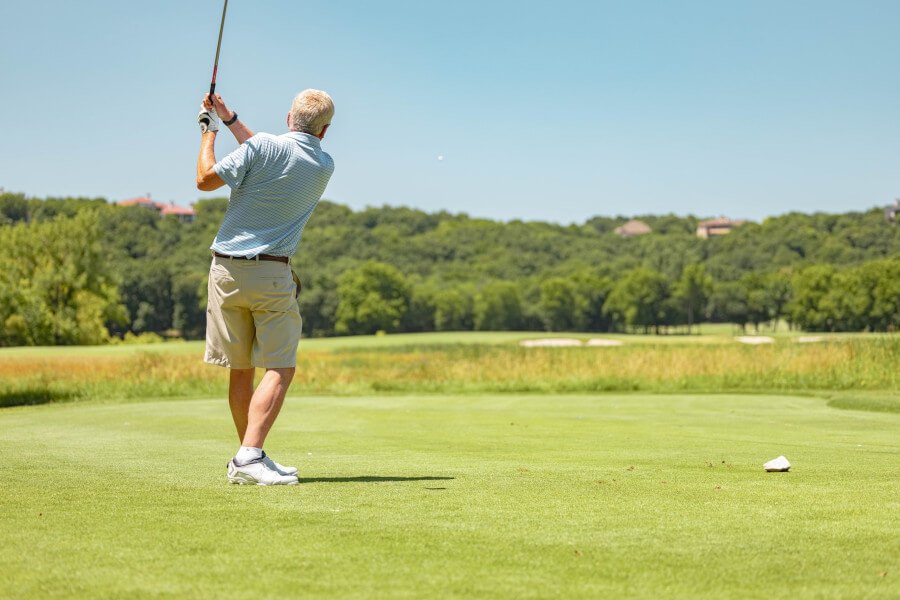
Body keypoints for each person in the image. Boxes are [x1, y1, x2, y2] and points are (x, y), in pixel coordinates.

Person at [195, 90, 335, 485]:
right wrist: (230, 117)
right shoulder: (324, 163)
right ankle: (249, 457)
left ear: (289, 117)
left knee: (241, 371)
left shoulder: (262, 147)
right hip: (272, 275)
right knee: (280, 367)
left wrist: (209, 131)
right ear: (325, 131)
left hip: (224, 272)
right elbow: (267, 151)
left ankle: (247, 456)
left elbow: (205, 179)